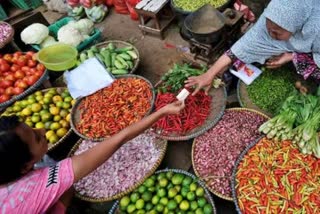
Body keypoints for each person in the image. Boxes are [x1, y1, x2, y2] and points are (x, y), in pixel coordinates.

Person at [0, 101, 185, 213]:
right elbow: (117, 140)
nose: (42, 129)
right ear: (24, 167)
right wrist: (161, 112)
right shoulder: (38, 187)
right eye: (37, 138)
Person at [185, 0, 320, 95]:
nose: (271, 35)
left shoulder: (316, 29)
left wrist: (292, 56)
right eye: (269, 29)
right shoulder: (274, 17)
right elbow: (244, 46)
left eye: (277, 33)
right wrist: (209, 74)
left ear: (296, 27)